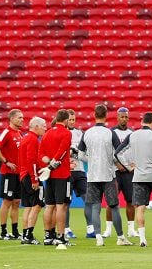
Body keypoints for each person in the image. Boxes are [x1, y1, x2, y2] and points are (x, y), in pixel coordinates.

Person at [114, 112, 152, 248]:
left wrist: (128, 166)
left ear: (142, 122)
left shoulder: (132, 135)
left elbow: (118, 152)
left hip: (138, 175)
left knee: (140, 207)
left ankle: (142, 239)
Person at [79, 104, 131, 246]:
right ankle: (120, 237)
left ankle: (98, 238)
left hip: (93, 176)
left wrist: (91, 160)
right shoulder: (110, 133)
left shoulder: (87, 133)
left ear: (94, 115)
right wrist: (116, 163)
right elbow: (117, 153)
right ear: (106, 115)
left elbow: (80, 154)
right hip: (108, 175)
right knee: (114, 206)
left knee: (95, 207)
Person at [39, 109, 73, 246]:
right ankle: (60, 236)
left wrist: (48, 165)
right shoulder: (66, 133)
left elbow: (41, 153)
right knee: (61, 206)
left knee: (49, 205)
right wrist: (54, 164)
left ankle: (48, 236)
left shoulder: (47, 133)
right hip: (62, 173)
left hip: (49, 174)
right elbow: (63, 151)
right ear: (65, 120)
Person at [0, 108, 24, 241]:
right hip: (8, 174)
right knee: (7, 202)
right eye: (19, 117)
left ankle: (15, 231)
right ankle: (3, 231)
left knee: (16, 202)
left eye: (22, 117)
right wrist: (6, 161)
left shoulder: (20, 134)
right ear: (12, 119)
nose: (22, 120)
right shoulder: (7, 132)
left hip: (18, 174)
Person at [18, 116, 46, 245]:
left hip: (23, 175)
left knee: (28, 206)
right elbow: (32, 161)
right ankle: (29, 235)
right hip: (30, 176)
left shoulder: (25, 138)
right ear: (36, 127)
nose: (45, 128)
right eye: (43, 126)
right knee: (37, 205)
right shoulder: (33, 139)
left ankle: (25, 235)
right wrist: (35, 179)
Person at [111, 107, 138, 238]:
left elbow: (134, 151)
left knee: (130, 200)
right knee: (112, 200)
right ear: (117, 117)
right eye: (122, 116)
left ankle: (131, 229)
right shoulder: (111, 132)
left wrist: (132, 163)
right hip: (115, 170)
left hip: (128, 171)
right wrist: (117, 163)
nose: (124, 119)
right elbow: (109, 150)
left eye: (126, 117)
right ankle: (109, 229)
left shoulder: (132, 133)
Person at [65, 109, 87, 240]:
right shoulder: (61, 132)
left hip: (79, 170)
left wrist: (77, 152)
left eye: (73, 119)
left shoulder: (80, 134)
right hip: (66, 172)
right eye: (70, 119)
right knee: (66, 202)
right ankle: (66, 229)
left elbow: (85, 154)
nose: (72, 122)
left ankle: (90, 228)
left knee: (87, 199)